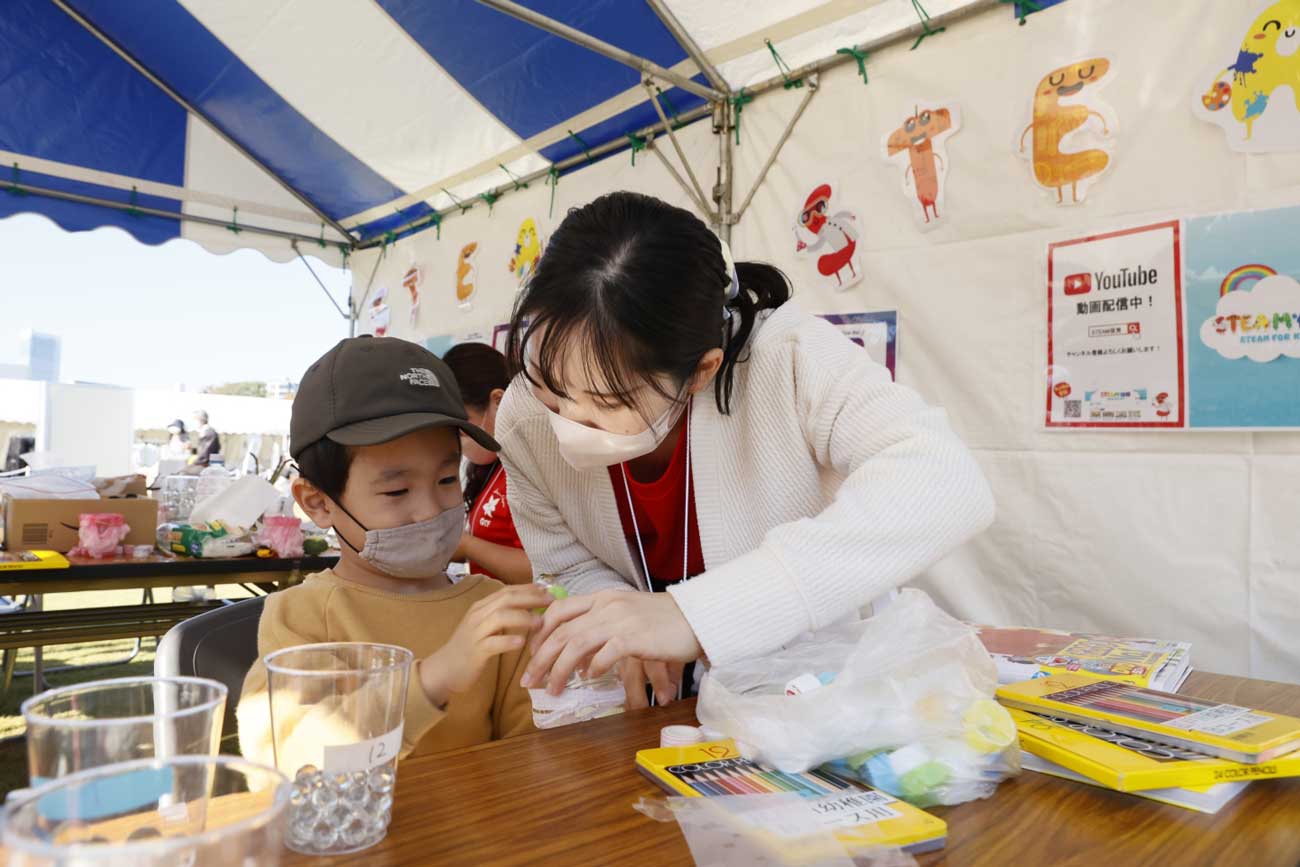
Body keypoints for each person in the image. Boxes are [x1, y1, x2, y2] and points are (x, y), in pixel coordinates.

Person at [495, 191, 995, 708]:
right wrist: (618, 617)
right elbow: (566, 564)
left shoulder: (790, 360)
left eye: (607, 399)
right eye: (550, 385)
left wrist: (696, 615)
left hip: (803, 694)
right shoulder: (523, 418)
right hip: (645, 707)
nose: (567, 420)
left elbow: (945, 482)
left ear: (701, 371)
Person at [236, 336, 549, 763]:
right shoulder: (303, 618)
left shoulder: (491, 610)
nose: (429, 511)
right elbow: (292, 761)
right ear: (319, 503)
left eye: (446, 480)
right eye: (397, 490)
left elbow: (530, 753)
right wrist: (433, 680)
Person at [442, 343, 532, 585]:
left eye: (463, 429)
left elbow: (547, 572)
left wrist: (468, 546)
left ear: (498, 401)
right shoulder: (493, 466)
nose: (458, 443)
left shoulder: (530, 468)